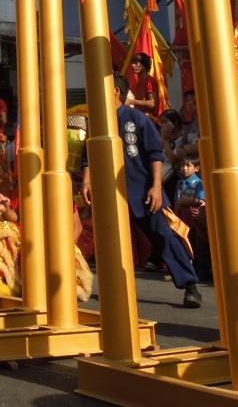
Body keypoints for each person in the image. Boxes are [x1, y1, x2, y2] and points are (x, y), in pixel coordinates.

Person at [83, 105, 202, 308]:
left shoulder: (136, 118)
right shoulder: (97, 118)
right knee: (110, 240)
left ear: (116, 92)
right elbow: (88, 155)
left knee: (164, 235)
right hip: (110, 193)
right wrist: (87, 180)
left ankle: (190, 285)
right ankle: (113, 287)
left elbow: (155, 154)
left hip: (142, 190)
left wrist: (156, 186)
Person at [0, 189, 91, 300]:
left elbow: (77, 227)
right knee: (0, 228)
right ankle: (5, 282)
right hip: (26, 247)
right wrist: (6, 210)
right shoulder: (24, 187)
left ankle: (58, 287)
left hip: (56, 248)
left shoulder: (60, 189)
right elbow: (16, 217)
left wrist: (61, 248)